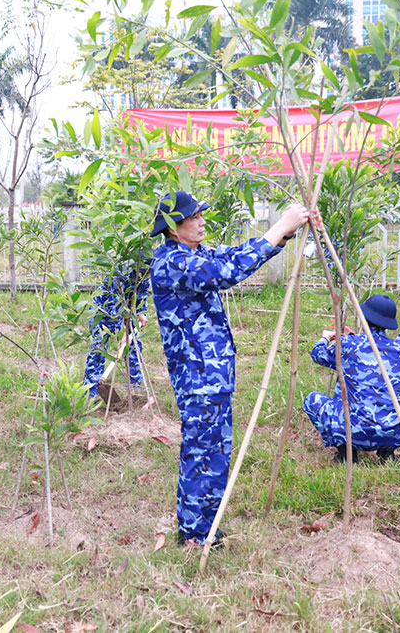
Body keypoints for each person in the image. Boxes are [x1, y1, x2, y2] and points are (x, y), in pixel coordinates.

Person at [149, 190, 311, 547]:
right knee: (200, 452)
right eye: (194, 217)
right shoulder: (172, 262)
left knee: (215, 452)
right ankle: (193, 533)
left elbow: (234, 254)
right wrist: (279, 226)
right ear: (174, 227)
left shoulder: (194, 253)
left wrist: (282, 234)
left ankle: (206, 524)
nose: (202, 221)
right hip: (197, 376)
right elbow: (225, 272)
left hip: (213, 375)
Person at [302, 295, 400, 463]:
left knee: (312, 400)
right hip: (395, 431)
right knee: (397, 401)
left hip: (355, 431)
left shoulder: (349, 345)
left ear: (364, 317)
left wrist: (325, 338)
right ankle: (387, 452)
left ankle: (346, 453)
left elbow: (317, 355)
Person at [82, 261, 150, 397]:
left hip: (126, 312)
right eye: (142, 272)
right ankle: (92, 389)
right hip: (102, 311)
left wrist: (141, 313)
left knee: (134, 344)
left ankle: (134, 384)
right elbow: (113, 305)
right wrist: (123, 332)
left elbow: (141, 293)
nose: (144, 276)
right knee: (98, 347)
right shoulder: (120, 273)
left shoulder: (144, 276)